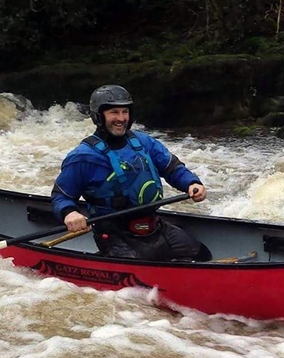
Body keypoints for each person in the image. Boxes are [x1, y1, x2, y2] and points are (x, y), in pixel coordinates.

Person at [52, 85, 212, 261]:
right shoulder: (83, 157)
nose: (121, 118)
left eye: (125, 112)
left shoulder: (143, 141)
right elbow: (62, 196)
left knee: (201, 254)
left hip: (152, 225)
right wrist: (70, 213)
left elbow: (172, 168)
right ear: (99, 116)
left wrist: (191, 183)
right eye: (114, 112)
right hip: (114, 232)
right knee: (142, 269)